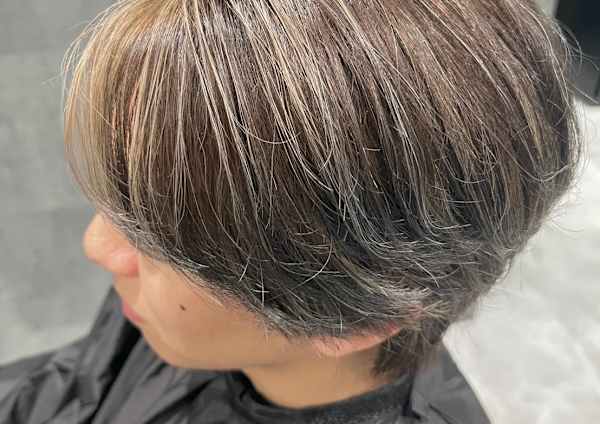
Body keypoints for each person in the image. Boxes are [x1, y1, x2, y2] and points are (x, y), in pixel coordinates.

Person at [0, 0, 583, 423]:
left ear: (352, 322)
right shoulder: (204, 290)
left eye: (156, 242)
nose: (97, 245)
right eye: (124, 203)